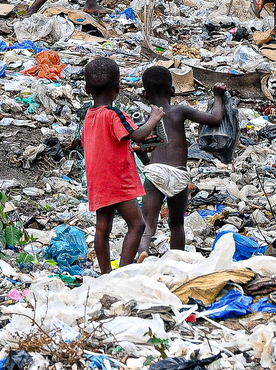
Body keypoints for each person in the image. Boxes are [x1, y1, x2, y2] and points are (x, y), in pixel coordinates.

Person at [80, 56, 163, 273]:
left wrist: (134, 150)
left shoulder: (90, 116)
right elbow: (138, 135)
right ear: (117, 89)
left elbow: (107, 145)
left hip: (98, 181)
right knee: (137, 224)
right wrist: (154, 117)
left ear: (87, 89)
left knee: (102, 228)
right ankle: (123, 272)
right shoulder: (115, 114)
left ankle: (105, 273)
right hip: (118, 181)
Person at [137, 69, 227, 256]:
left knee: (148, 224)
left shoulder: (147, 120)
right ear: (172, 91)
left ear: (145, 94)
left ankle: (142, 254)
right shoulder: (180, 110)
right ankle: (176, 260)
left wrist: (146, 160)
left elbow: (145, 153)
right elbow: (215, 119)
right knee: (177, 223)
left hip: (155, 172)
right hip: (178, 173)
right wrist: (218, 96)